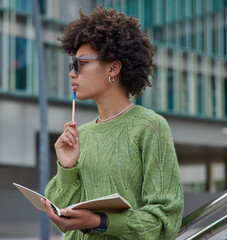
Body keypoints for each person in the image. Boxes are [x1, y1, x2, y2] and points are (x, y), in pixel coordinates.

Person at [41, 6, 184, 240]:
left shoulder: (150, 127)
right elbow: (61, 218)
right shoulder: (80, 136)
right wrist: (66, 169)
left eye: (81, 63)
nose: (72, 73)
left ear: (114, 67)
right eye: (71, 65)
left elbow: (164, 222)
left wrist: (101, 222)